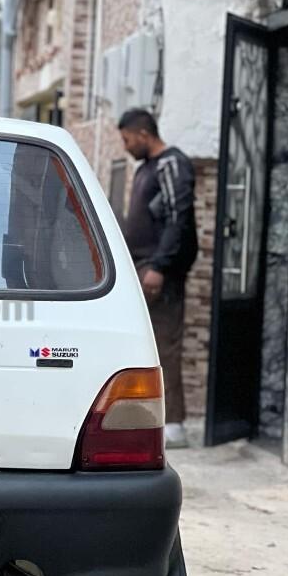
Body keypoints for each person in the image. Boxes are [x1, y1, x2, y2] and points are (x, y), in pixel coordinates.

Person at [118, 108, 198, 449]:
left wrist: (160, 267)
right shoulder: (146, 169)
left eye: (126, 139)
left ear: (143, 133)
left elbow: (178, 219)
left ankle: (175, 426)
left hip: (158, 271)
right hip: (141, 267)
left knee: (165, 341)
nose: (125, 146)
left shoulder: (171, 165)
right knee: (139, 347)